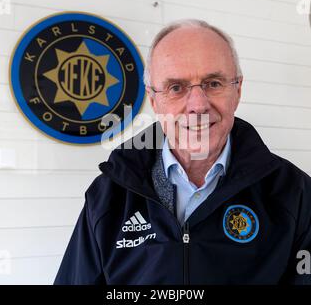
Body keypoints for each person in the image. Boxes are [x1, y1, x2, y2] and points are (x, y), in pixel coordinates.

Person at [54, 19, 311, 285]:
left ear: (238, 90)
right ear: (154, 100)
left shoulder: (295, 192)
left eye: (213, 83)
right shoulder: (108, 196)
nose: (198, 105)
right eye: (176, 87)